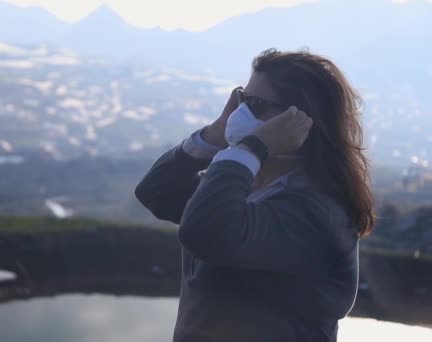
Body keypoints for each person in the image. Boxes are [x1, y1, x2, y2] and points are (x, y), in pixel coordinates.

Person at [134, 49, 375, 342]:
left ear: (301, 120)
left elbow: (206, 232)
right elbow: (156, 191)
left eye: (257, 105)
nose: (242, 113)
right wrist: (214, 134)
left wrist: (249, 148)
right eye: (241, 99)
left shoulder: (315, 213)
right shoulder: (245, 183)